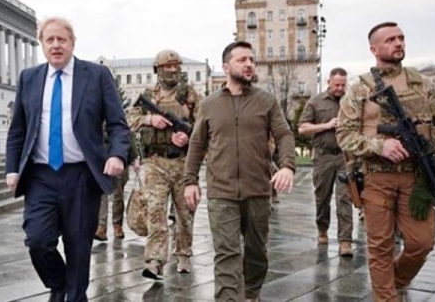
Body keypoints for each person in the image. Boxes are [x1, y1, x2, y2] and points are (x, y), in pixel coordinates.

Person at [336, 22, 435, 302]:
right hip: (376, 179)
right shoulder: (360, 88)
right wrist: (379, 145)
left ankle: (393, 282)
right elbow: (344, 135)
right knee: (380, 247)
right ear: (374, 49)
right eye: (390, 40)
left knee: (422, 243)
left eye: (401, 38)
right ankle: (386, 297)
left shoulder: (423, 85)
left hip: (417, 177)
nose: (398, 44)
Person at [5, 17, 130, 302]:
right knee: (38, 240)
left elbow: (118, 124)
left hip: (81, 176)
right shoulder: (29, 78)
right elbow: (18, 130)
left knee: (78, 245)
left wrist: (117, 154)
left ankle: (74, 296)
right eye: (49, 40)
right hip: (40, 175)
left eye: (62, 39)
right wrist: (12, 169)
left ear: (72, 42)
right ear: (42, 45)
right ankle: (58, 283)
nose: (56, 45)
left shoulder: (96, 75)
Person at [183, 41, 296, 302]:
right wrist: (190, 181)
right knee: (226, 253)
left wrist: (288, 166)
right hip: (221, 192)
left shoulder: (266, 101)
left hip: (258, 189)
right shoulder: (209, 104)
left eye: (251, 60)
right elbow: (197, 144)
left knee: (257, 251)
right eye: (242, 60)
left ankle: (252, 293)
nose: (249, 64)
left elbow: (284, 135)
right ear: (226, 67)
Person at [127, 49, 200, 279]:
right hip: (155, 163)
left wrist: (189, 138)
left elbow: (205, 126)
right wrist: (150, 119)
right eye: (167, 66)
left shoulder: (190, 95)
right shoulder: (149, 96)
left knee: (184, 214)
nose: (172, 70)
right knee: (155, 212)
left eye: (176, 66)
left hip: (182, 164)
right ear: (158, 69)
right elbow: (130, 119)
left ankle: (184, 254)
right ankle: (155, 260)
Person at [298, 67, 354, 256]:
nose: (340, 88)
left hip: (344, 156)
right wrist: (327, 125)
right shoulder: (316, 102)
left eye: (343, 85)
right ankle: (322, 229)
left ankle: (345, 241)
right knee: (322, 198)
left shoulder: (351, 102)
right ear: (328, 82)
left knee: (344, 198)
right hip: (323, 157)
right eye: (337, 84)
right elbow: (302, 128)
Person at [94, 169, 129, 241]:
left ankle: (117, 225)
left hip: (119, 162)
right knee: (102, 194)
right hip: (102, 162)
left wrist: (135, 160)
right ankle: (102, 226)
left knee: (118, 195)